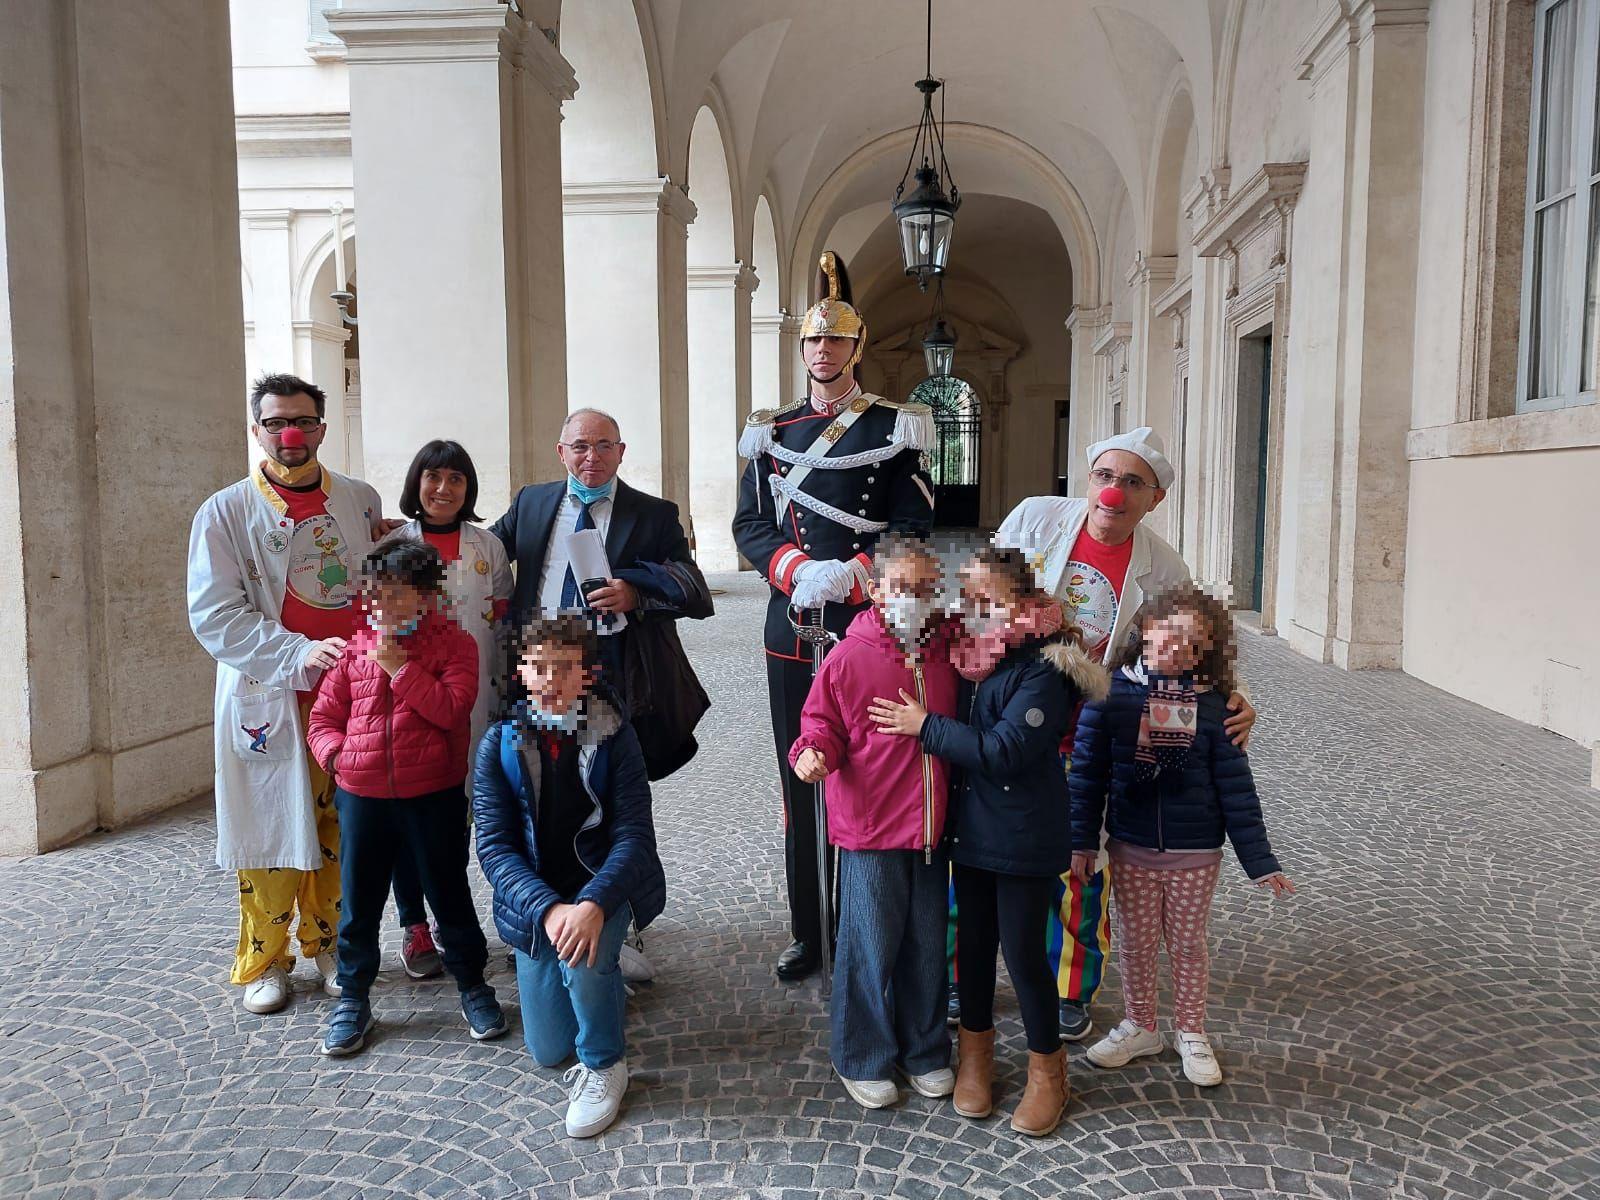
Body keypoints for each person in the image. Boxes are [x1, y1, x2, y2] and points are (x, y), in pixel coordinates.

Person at [993, 427, 1257, 1043]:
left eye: (1132, 482)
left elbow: (1189, 644)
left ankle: (1070, 988)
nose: (1114, 492)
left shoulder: (1165, 567)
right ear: (1087, 478)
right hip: (1009, 720)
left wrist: (1232, 696)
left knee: (1080, 867)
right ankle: (963, 977)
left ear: (1154, 498)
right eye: (1105, 476)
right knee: (980, 854)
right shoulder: (1034, 519)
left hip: (1091, 735)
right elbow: (978, 595)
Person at [732, 250, 935, 983]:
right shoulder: (768, 431)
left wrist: (856, 573)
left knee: (872, 773)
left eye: (836, 339)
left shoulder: (897, 425)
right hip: (793, 625)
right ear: (805, 348)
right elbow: (750, 524)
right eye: (814, 341)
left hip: (865, 626)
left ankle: (866, 921)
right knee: (802, 777)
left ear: (857, 346)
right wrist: (795, 571)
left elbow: (913, 527)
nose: (823, 350)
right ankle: (808, 929)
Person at [871, 547, 1108, 1138]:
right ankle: (975, 1056)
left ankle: (1047, 1071)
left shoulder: (1046, 668)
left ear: (1023, 603)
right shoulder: (968, 656)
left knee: (1025, 956)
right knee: (972, 952)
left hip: (1024, 837)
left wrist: (924, 726)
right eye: (967, 598)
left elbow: (1006, 750)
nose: (973, 609)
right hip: (971, 833)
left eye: (988, 599)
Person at [187, 372, 383, 1014]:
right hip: (269, 695)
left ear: (322, 427)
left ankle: (328, 942)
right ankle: (264, 959)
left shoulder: (358, 500)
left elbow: (375, 585)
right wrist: (297, 654)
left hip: (349, 696)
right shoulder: (224, 512)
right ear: (258, 428)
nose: (289, 434)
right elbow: (215, 614)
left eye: (301, 420)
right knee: (270, 831)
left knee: (340, 828)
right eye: (275, 422)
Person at [1069, 584, 1294, 1087]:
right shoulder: (1110, 696)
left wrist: (1262, 862)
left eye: (1192, 646)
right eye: (1169, 636)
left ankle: (1191, 1031)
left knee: (1188, 944)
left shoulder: (1215, 707)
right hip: (1131, 845)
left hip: (1195, 852)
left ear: (1206, 655)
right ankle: (1141, 1024)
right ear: (1145, 631)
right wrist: (1083, 841)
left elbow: (1237, 789)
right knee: (1135, 942)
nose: (1177, 651)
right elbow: (1086, 776)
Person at [306, 539, 507, 1056]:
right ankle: (353, 998)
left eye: (402, 594)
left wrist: (400, 667)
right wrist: (338, 758)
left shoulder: (454, 645)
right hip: (362, 796)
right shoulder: (352, 652)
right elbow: (323, 720)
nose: (388, 606)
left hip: (432, 795)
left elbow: (450, 710)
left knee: (449, 896)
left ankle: (473, 987)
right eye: (379, 594)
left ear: (426, 597)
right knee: (359, 903)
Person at [473, 614, 667, 1140]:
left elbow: (634, 838)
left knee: (584, 955)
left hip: (599, 892)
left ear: (585, 675)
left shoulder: (614, 737)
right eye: (539, 668)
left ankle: (607, 1065)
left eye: (565, 669)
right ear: (522, 673)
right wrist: (549, 909)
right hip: (542, 903)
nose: (551, 682)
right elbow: (493, 848)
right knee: (549, 1048)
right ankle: (602, 964)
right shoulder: (500, 745)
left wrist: (594, 906)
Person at [787, 535, 959, 1109]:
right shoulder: (849, 655)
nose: (913, 598)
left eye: (924, 588)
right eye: (900, 587)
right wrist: (811, 753)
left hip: (933, 829)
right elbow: (821, 724)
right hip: (871, 828)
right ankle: (860, 1054)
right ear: (875, 589)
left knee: (929, 945)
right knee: (869, 945)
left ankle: (926, 1049)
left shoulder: (948, 652)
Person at [490, 408, 712, 780]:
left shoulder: (653, 514)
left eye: (604, 445)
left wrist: (635, 595)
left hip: (614, 663)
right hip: (539, 663)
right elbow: (485, 549)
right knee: (543, 774)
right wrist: (416, 532)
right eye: (580, 446)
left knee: (613, 775)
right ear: (561, 452)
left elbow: (691, 587)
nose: (592, 456)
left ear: (621, 451)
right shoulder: (531, 502)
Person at [387, 439, 513, 979]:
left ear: (470, 488)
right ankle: (415, 925)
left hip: (478, 700)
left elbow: (503, 620)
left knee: (464, 815)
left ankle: (456, 918)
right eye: (432, 477)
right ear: (416, 482)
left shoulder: (488, 548)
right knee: (410, 818)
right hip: (410, 701)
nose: (443, 490)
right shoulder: (394, 546)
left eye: (456, 480)